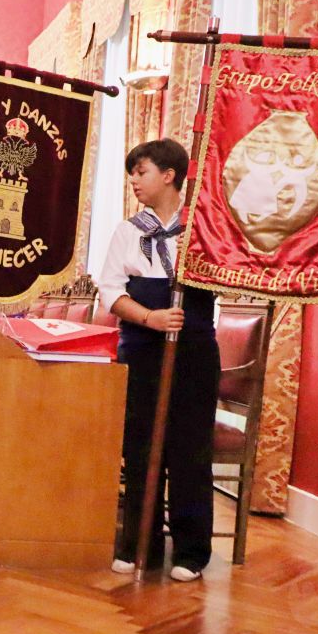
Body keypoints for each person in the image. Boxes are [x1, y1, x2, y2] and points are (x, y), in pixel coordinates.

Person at [96, 138, 218, 582]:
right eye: (131, 172)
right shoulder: (128, 232)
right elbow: (110, 292)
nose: (133, 180)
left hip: (194, 352)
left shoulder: (203, 230)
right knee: (141, 446)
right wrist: (151, 317)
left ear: (169, 175)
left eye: (141, 171)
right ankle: (137, 542)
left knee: (189, 449)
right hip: (143, 351)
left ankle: (191, 551)